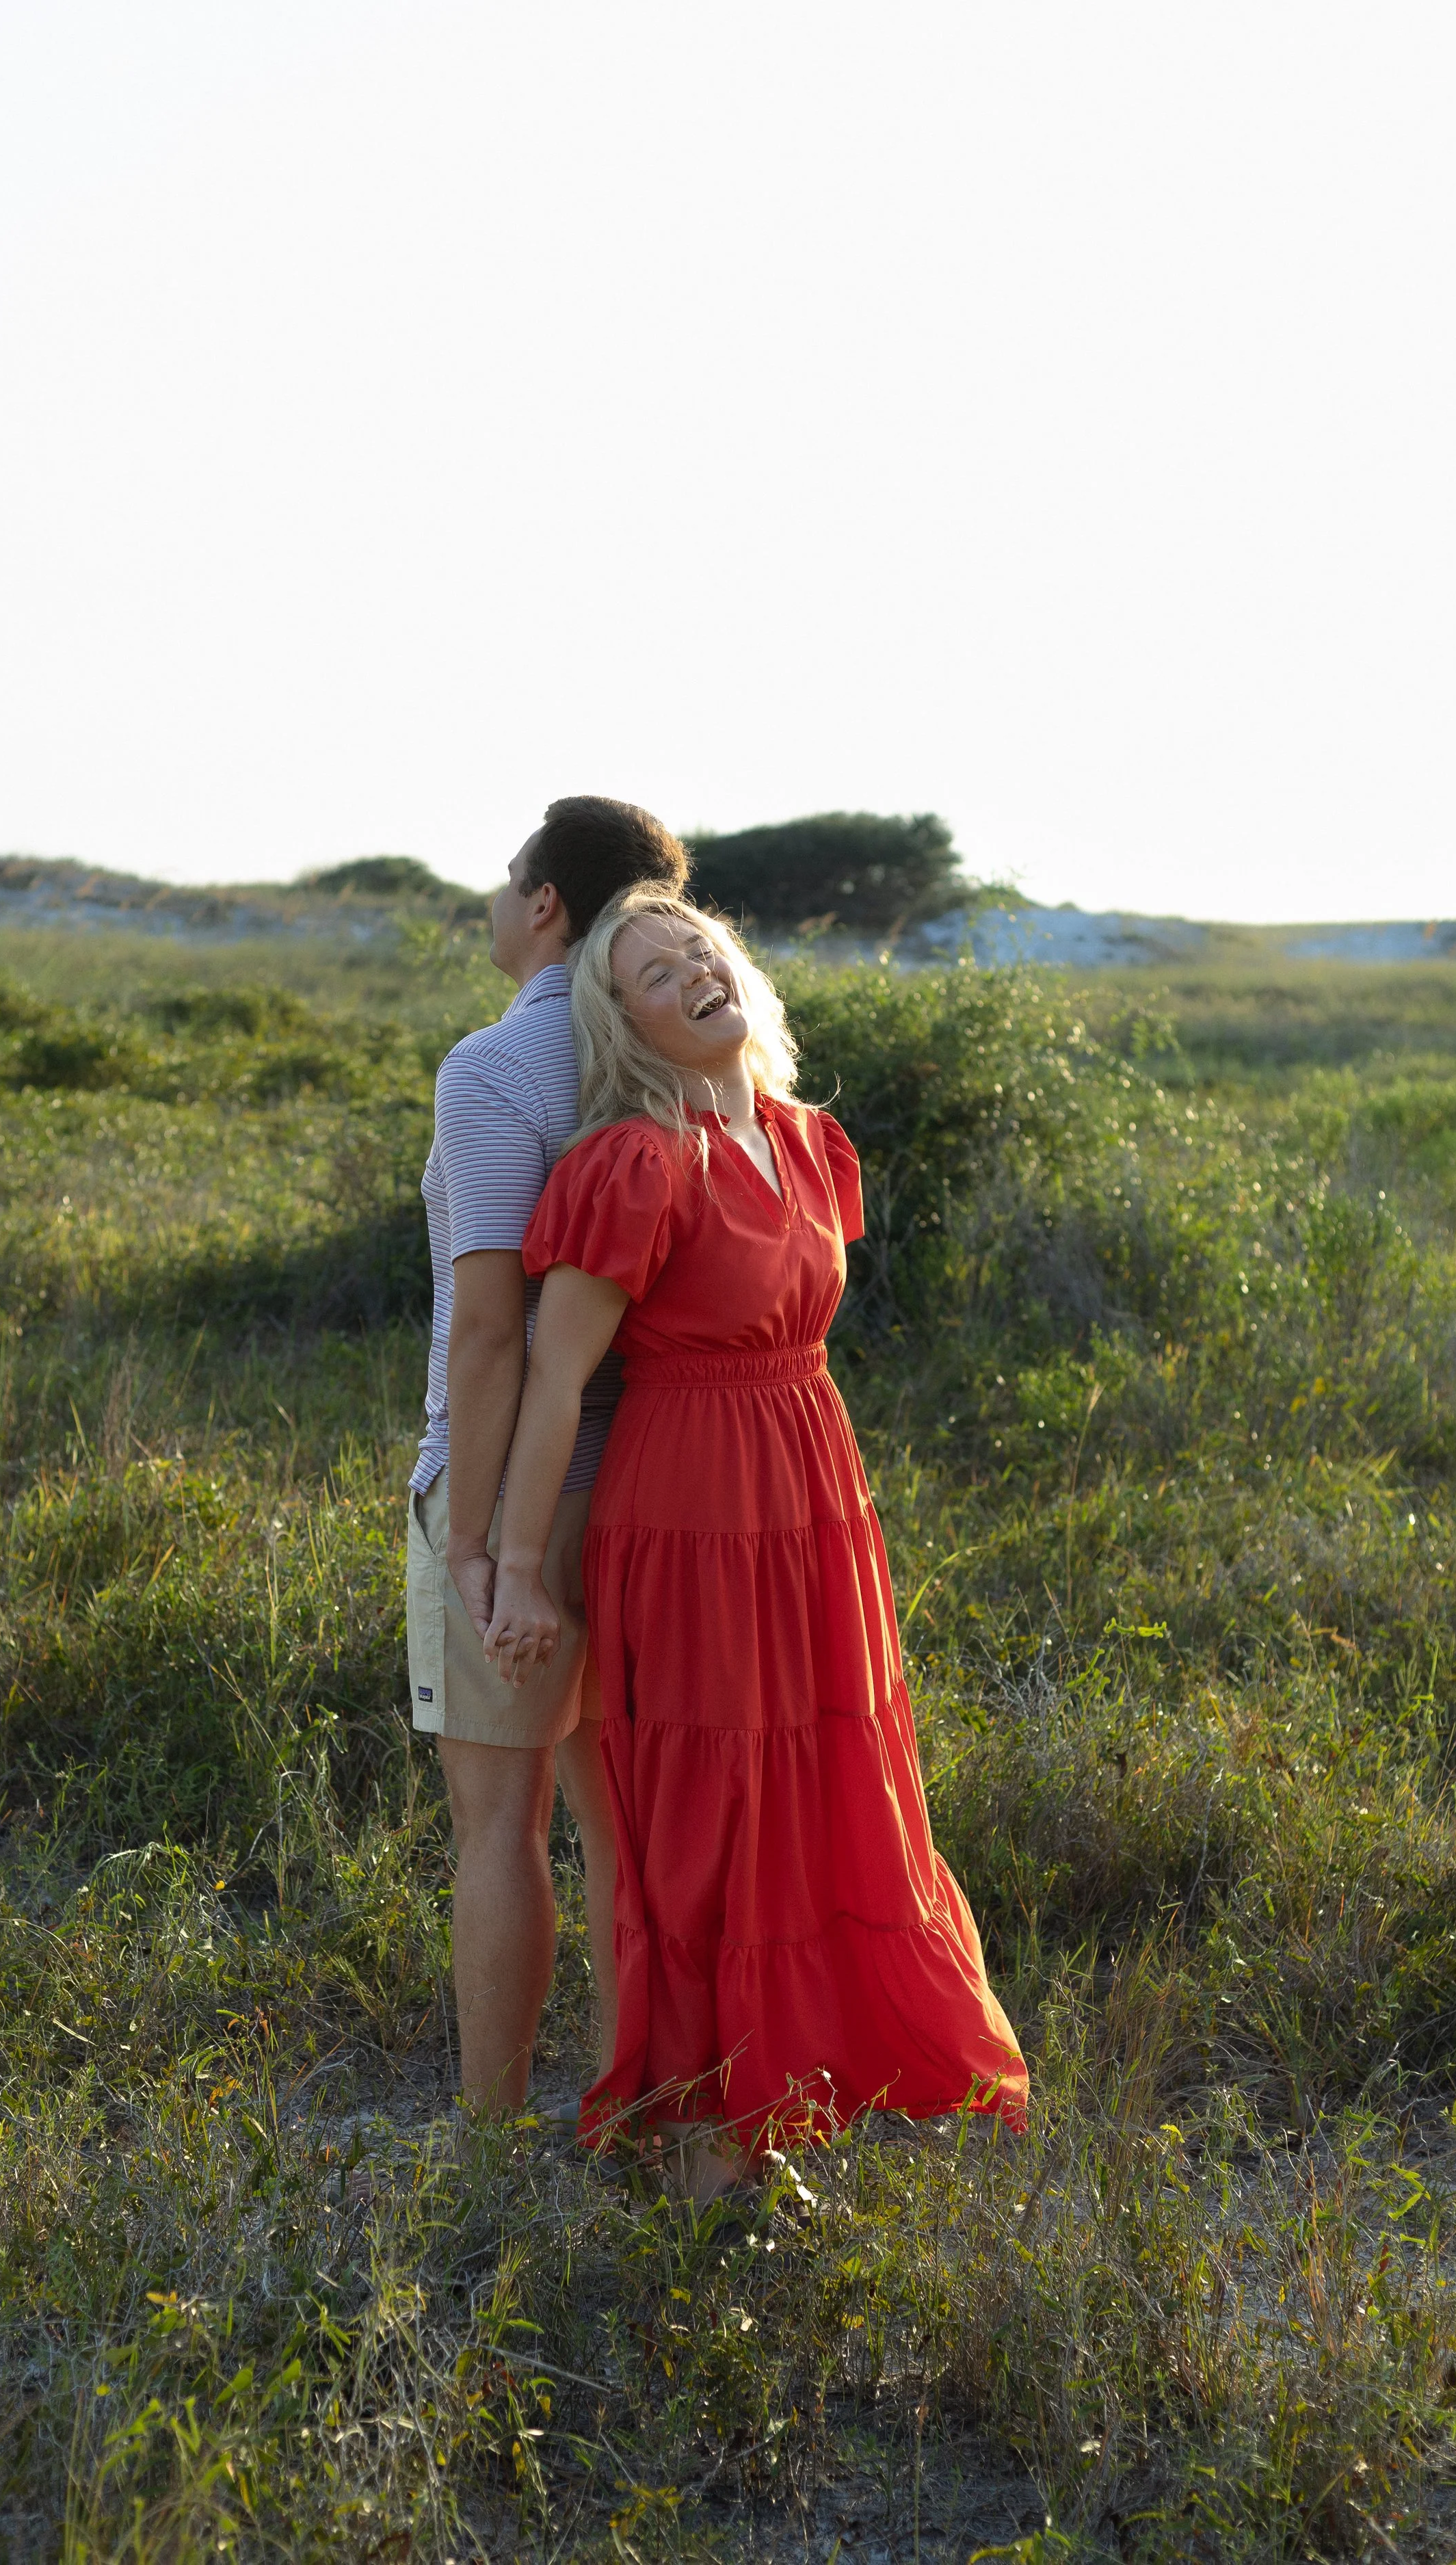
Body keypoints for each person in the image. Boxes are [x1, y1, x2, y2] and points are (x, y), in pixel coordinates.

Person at [482, 888, 1029, 2198]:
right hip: (691, 1514)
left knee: (828, 1782)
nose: (693, 972)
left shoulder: (808, 1141)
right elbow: (553, 1383)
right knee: (716, 1807)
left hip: (812, 1499)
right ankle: (703, 2126)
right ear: (628, 1028)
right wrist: (514, 1570)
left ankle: (797, 2091)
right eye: (655, 974)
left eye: (702, 950)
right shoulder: (635, 1164)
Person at [406, 798, 689, 2115]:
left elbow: (487, 1331)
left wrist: (469, 1539)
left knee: (499, 1824)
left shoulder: (495, 1066)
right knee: (620, 1827)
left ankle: (488, 2149)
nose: (497, 894)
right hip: (653, 1484)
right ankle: (632, 2114)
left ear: (545, 904)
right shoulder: (671, 1051)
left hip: (517, 1493)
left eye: (509, 872)